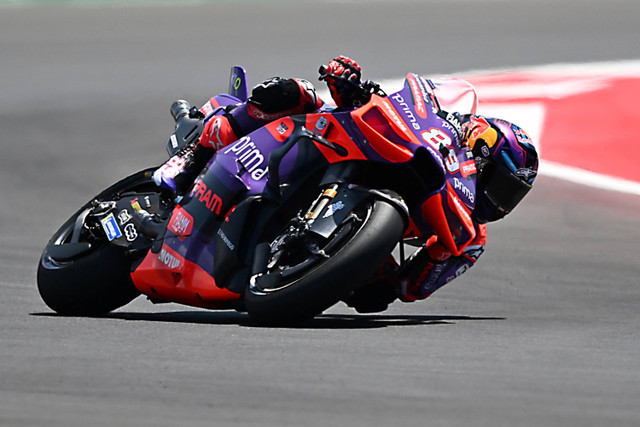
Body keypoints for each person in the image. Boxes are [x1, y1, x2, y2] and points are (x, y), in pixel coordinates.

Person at [152, 56, 539, 312]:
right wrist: (351, 85)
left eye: (512, 197)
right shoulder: (443, 133)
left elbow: (413, 288)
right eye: (502, 186)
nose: (501, 202)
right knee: (296, 92)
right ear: (481, 150)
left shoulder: (469, 238)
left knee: (373, 297)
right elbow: (390, 106)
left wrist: (386, 276)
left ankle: (290, 258)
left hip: (359, 231)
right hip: (329, 140)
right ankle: (193, 155)